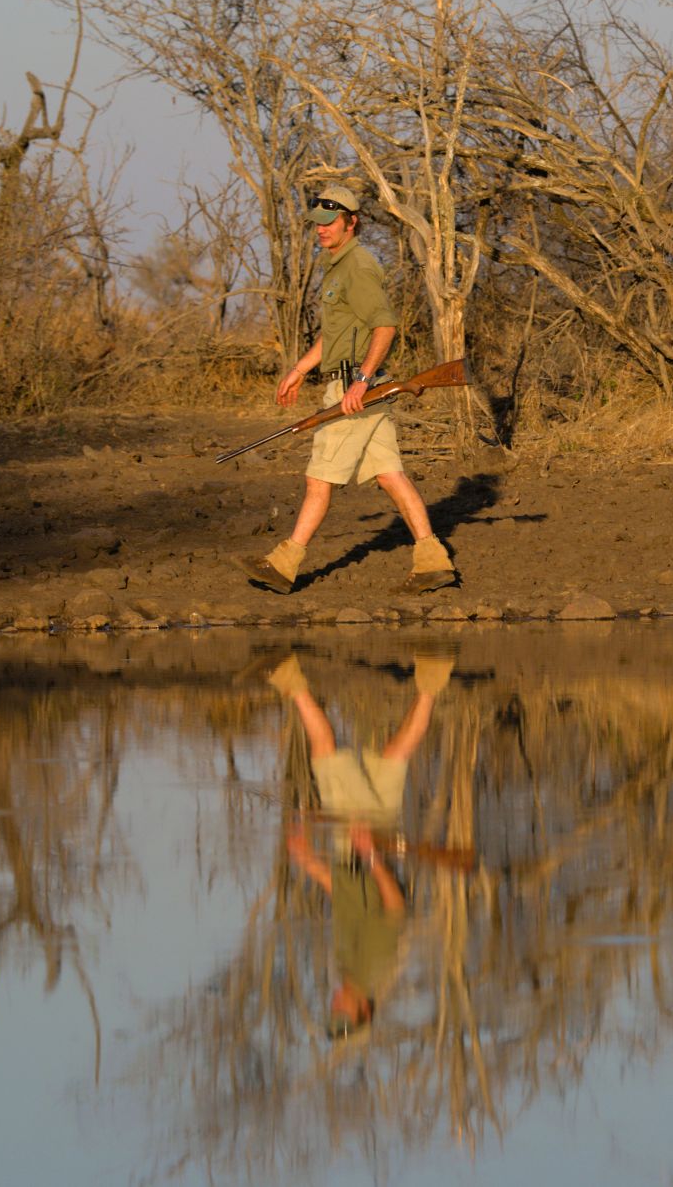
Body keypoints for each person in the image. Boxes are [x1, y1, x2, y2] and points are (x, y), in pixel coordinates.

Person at [244, 183, 456, 595]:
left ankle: (284, 564)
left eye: (330, 222)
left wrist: (359, 381)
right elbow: (340, 332)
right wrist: (300, 369)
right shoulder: (339, 266)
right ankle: (432, 560)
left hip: (353, 389)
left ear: (351, 222)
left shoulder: (357, 267)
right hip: (358, 385)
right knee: (392, 476)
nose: (321, 230)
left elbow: (385, 326)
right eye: (318, 223)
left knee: (319, 481)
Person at [275, 648, 455, 1038]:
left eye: (333, 1011)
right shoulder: (371, 967)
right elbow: (394, 908)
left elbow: (345, 901)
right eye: (342, 1013)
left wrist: (308, 863)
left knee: (396, 752)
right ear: (362, 1010)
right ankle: (288, 678)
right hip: (360, 842)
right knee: (325, 753)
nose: (334, 1004)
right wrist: (371, 855)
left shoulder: (352, 968)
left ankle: (433, 677)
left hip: (368, 839)